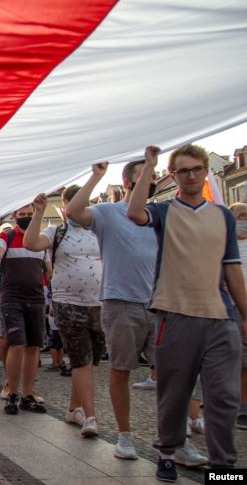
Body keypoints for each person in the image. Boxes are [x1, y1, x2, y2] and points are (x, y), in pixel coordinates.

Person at [128, 144, 246, 479]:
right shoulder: (165, 211)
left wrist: (246, 315)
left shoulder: (222, 215)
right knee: (175, 392)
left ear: (206, 170)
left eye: (197, 169)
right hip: (175, 314)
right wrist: (148, 167)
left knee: (223, 395)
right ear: (174, 176)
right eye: (184, 171)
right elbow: (135, 213)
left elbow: (232, 269)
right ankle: (168, 450)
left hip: (221, 317)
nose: (191, 176)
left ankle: (224, 467)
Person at [67, 160, 166, 460]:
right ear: (126, 183)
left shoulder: (161, 214)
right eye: (141, 177)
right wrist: (96, 177)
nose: (147, 182)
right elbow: (74, 211)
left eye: (152, 178)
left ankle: (173, 437)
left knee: (172, 372)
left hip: (159, 303)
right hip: (121, 302)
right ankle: (125, 436)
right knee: (122, 369)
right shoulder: (109, 213)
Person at [23, 188, 103, 438]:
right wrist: (37, 213)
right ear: (66, 205)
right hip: (67, 303)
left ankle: (72, 409)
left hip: (99, 304)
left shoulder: (98, 231)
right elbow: (31, 243)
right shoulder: (57, 232)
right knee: (80, 358)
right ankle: (90, 417)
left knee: (90, 360)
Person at [0, 206, 48, 415]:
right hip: (12, 298)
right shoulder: (7, 235)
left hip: (36, 297)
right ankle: (12, 392)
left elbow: (48, 269)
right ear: (14, 216)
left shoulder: (41, 239)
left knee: (33, 347)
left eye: (29, 215)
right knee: (17, 345)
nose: (26, 218)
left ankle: (28, 394)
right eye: (22, 215)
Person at [231, 202, 247, 430]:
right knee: (240, 361)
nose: (244, 220)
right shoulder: (226, 244)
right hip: (233, 307)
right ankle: (241, 407)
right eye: (240, 216)